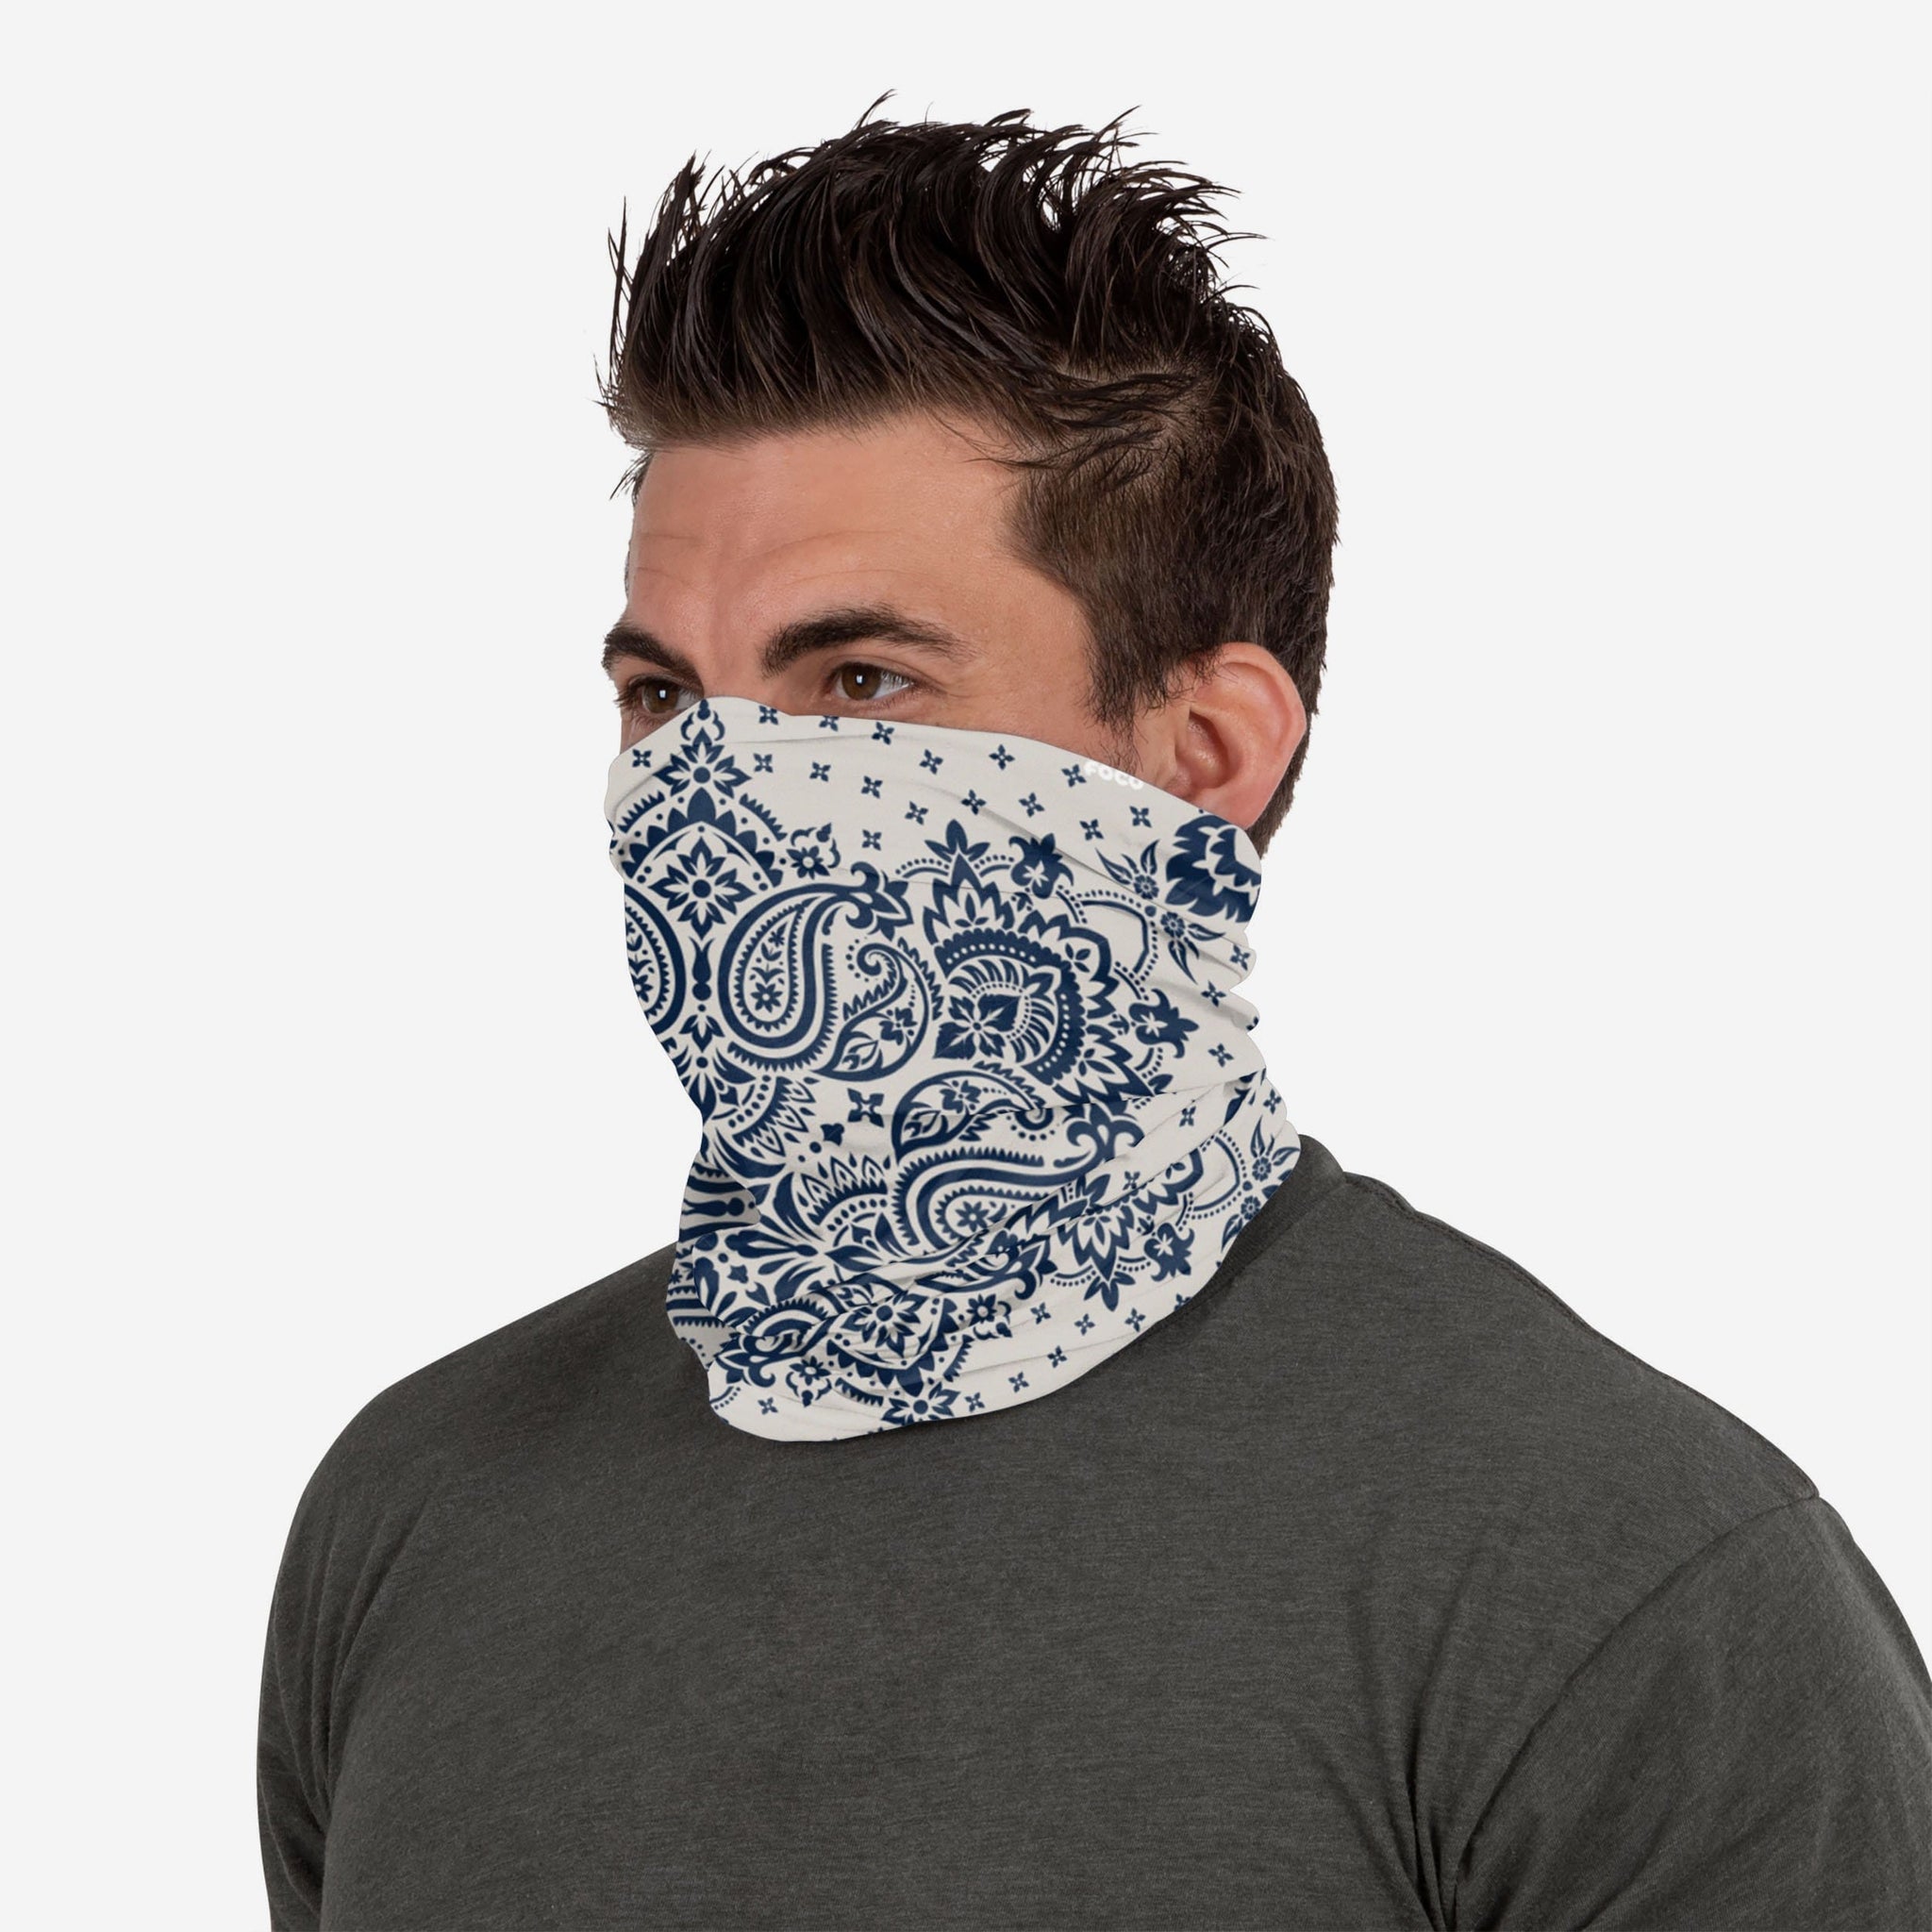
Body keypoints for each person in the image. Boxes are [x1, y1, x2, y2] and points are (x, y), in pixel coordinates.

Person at [258, 106, 1932, 1930]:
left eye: (863, 682)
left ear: (1204, 753)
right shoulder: (415, 1514)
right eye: (665, 697)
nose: (714, 797)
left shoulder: (1620, 1587)